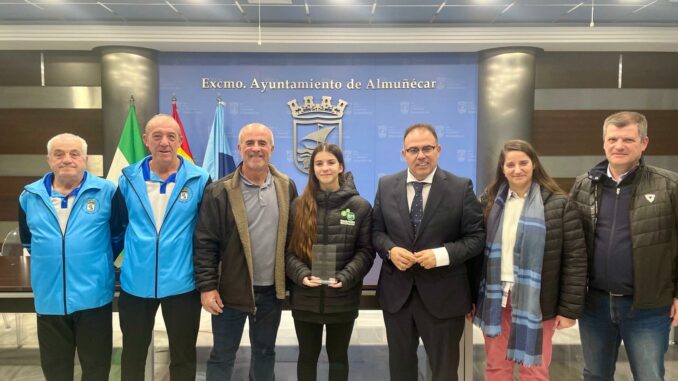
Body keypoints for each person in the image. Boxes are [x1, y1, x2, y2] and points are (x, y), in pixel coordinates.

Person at [371, 123, 485, 381]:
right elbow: (376, 232)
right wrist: (390, 250)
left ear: (439, 150)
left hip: (444, 297)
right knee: (400, 371)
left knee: (444, 372)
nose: (420, 155)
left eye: (427, 148)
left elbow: (477, 238)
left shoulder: (460, 187)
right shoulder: (386, 185)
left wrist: (441, 255)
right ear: (403, 154)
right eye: (413, 149)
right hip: (397, 297)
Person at [570, 111, 678, 381]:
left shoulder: (669, 185)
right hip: (594, 305)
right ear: (604, 142)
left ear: (644, 143)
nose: (619, 145)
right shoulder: (584, 185)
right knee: (595, 375)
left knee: (649, 376)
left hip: (648, 308)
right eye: (613, 138)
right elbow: (571, 244)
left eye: (628, 139)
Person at [473, 139, 587, 380]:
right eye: (510, 164)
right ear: (502, 169)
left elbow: (575, 261)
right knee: (496, 368)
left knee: (534, 371)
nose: (517, 169)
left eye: (523, 162)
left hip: (539, 303)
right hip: (496, 300)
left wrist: (568, 310)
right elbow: (474, 255)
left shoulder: (559, 204)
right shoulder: (489, 203)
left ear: (534, 164)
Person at [194, 122, 298, 381]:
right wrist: (207, 288)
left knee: (265, 353)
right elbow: (205, 242)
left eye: (262, 143)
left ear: (272, 149)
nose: (256, 148)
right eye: (249, 143)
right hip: (230, 292)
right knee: (222, 356)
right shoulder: (219, 190)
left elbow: (294, 238)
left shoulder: (286, 186)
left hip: (271, 292)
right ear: (240, 148)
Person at [18, 133, 125, 381]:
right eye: (59, 154)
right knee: (56, 371)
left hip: (94, 298)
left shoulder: (106, 191)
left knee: (97, 370)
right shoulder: (28, 196)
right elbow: (29, 241)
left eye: (74, 154)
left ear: (85, 159)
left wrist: (93, 262)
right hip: (49, 299)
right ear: (49, 160)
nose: (67, 159)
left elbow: (118, 235)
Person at [117, 114, 210, 381]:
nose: (164, 142)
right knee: (133, 354)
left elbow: (206, 233)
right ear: (146, 140)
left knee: (183, 355)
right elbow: (118, 227)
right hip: (136, 283)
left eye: (171, 136)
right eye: (157, 136)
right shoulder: (127, 179)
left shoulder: (200, 180)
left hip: (182, 283)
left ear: (180, 141)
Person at [286, 143, 374, 381]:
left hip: (342, 298)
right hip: (305, 299)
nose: (325, 168)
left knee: (338, 358)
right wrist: (301, 274)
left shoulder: (360, 207)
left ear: (341, 167)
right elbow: (288, 252)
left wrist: (346, 277)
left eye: (330, 162)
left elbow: (366, 252)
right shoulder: (298, 205)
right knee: (307, 356)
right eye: (319, 163)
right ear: (312, 169)